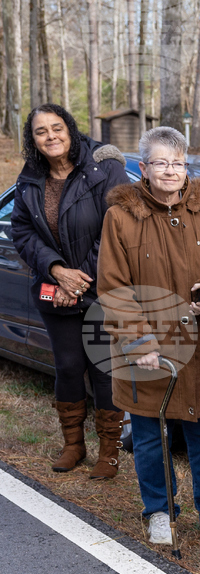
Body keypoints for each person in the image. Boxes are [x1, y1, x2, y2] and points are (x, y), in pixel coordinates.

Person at [97, 126, 200, 548]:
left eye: (177, 163)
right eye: (160, 162)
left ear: (186, 167)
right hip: (147, 352)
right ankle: (159, 511)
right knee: (148, 437)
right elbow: (113, 288)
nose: (169, 170)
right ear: (143, 168)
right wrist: (139, 342)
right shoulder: (120, 218)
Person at [10, 104, 130, 479]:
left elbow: (117, 227)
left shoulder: (103, 166)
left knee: (102, 369)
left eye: (57, 128)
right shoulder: (30, 180)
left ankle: (109, 452)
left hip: (102, 289)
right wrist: (58, 271)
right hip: (53, 288)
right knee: (67, 366)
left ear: (70, 128)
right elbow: (23, 233)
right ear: (33, 141)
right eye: (41, 131)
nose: (51, 136)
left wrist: (79, 281)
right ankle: (73, 446)